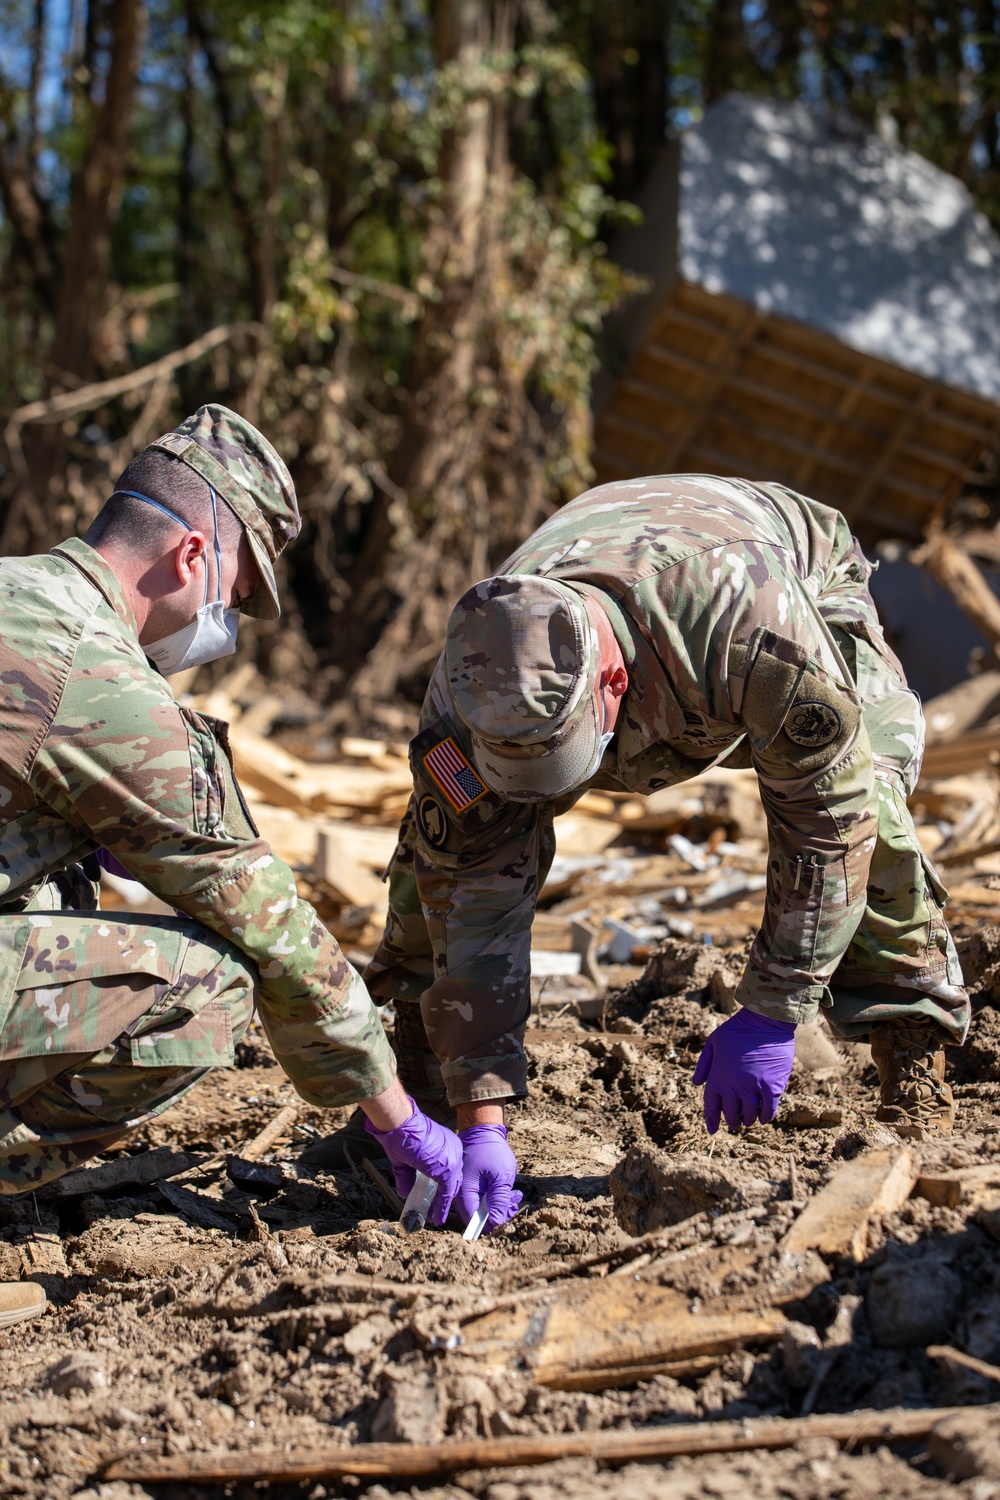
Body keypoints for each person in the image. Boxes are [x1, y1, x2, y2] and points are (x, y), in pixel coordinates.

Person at [329, 473, 968, 1230]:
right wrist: (482, 1116)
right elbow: (473, 896)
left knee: (873, 814)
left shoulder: (752, 622)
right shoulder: (473, 682)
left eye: (554, 767)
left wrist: (773, 1008)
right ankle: (418, 1099)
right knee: (435, 854)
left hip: (779, 574)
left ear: (610, 682)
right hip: (638, 615)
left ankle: (913, 1056)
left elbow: (829, 821)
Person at [0, 405, 461, 1327]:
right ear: (190, 558)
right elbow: (261, 912)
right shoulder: (91, 668)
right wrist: (393, 1114)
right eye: (236, 595)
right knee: (210, 983)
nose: (227, 629)